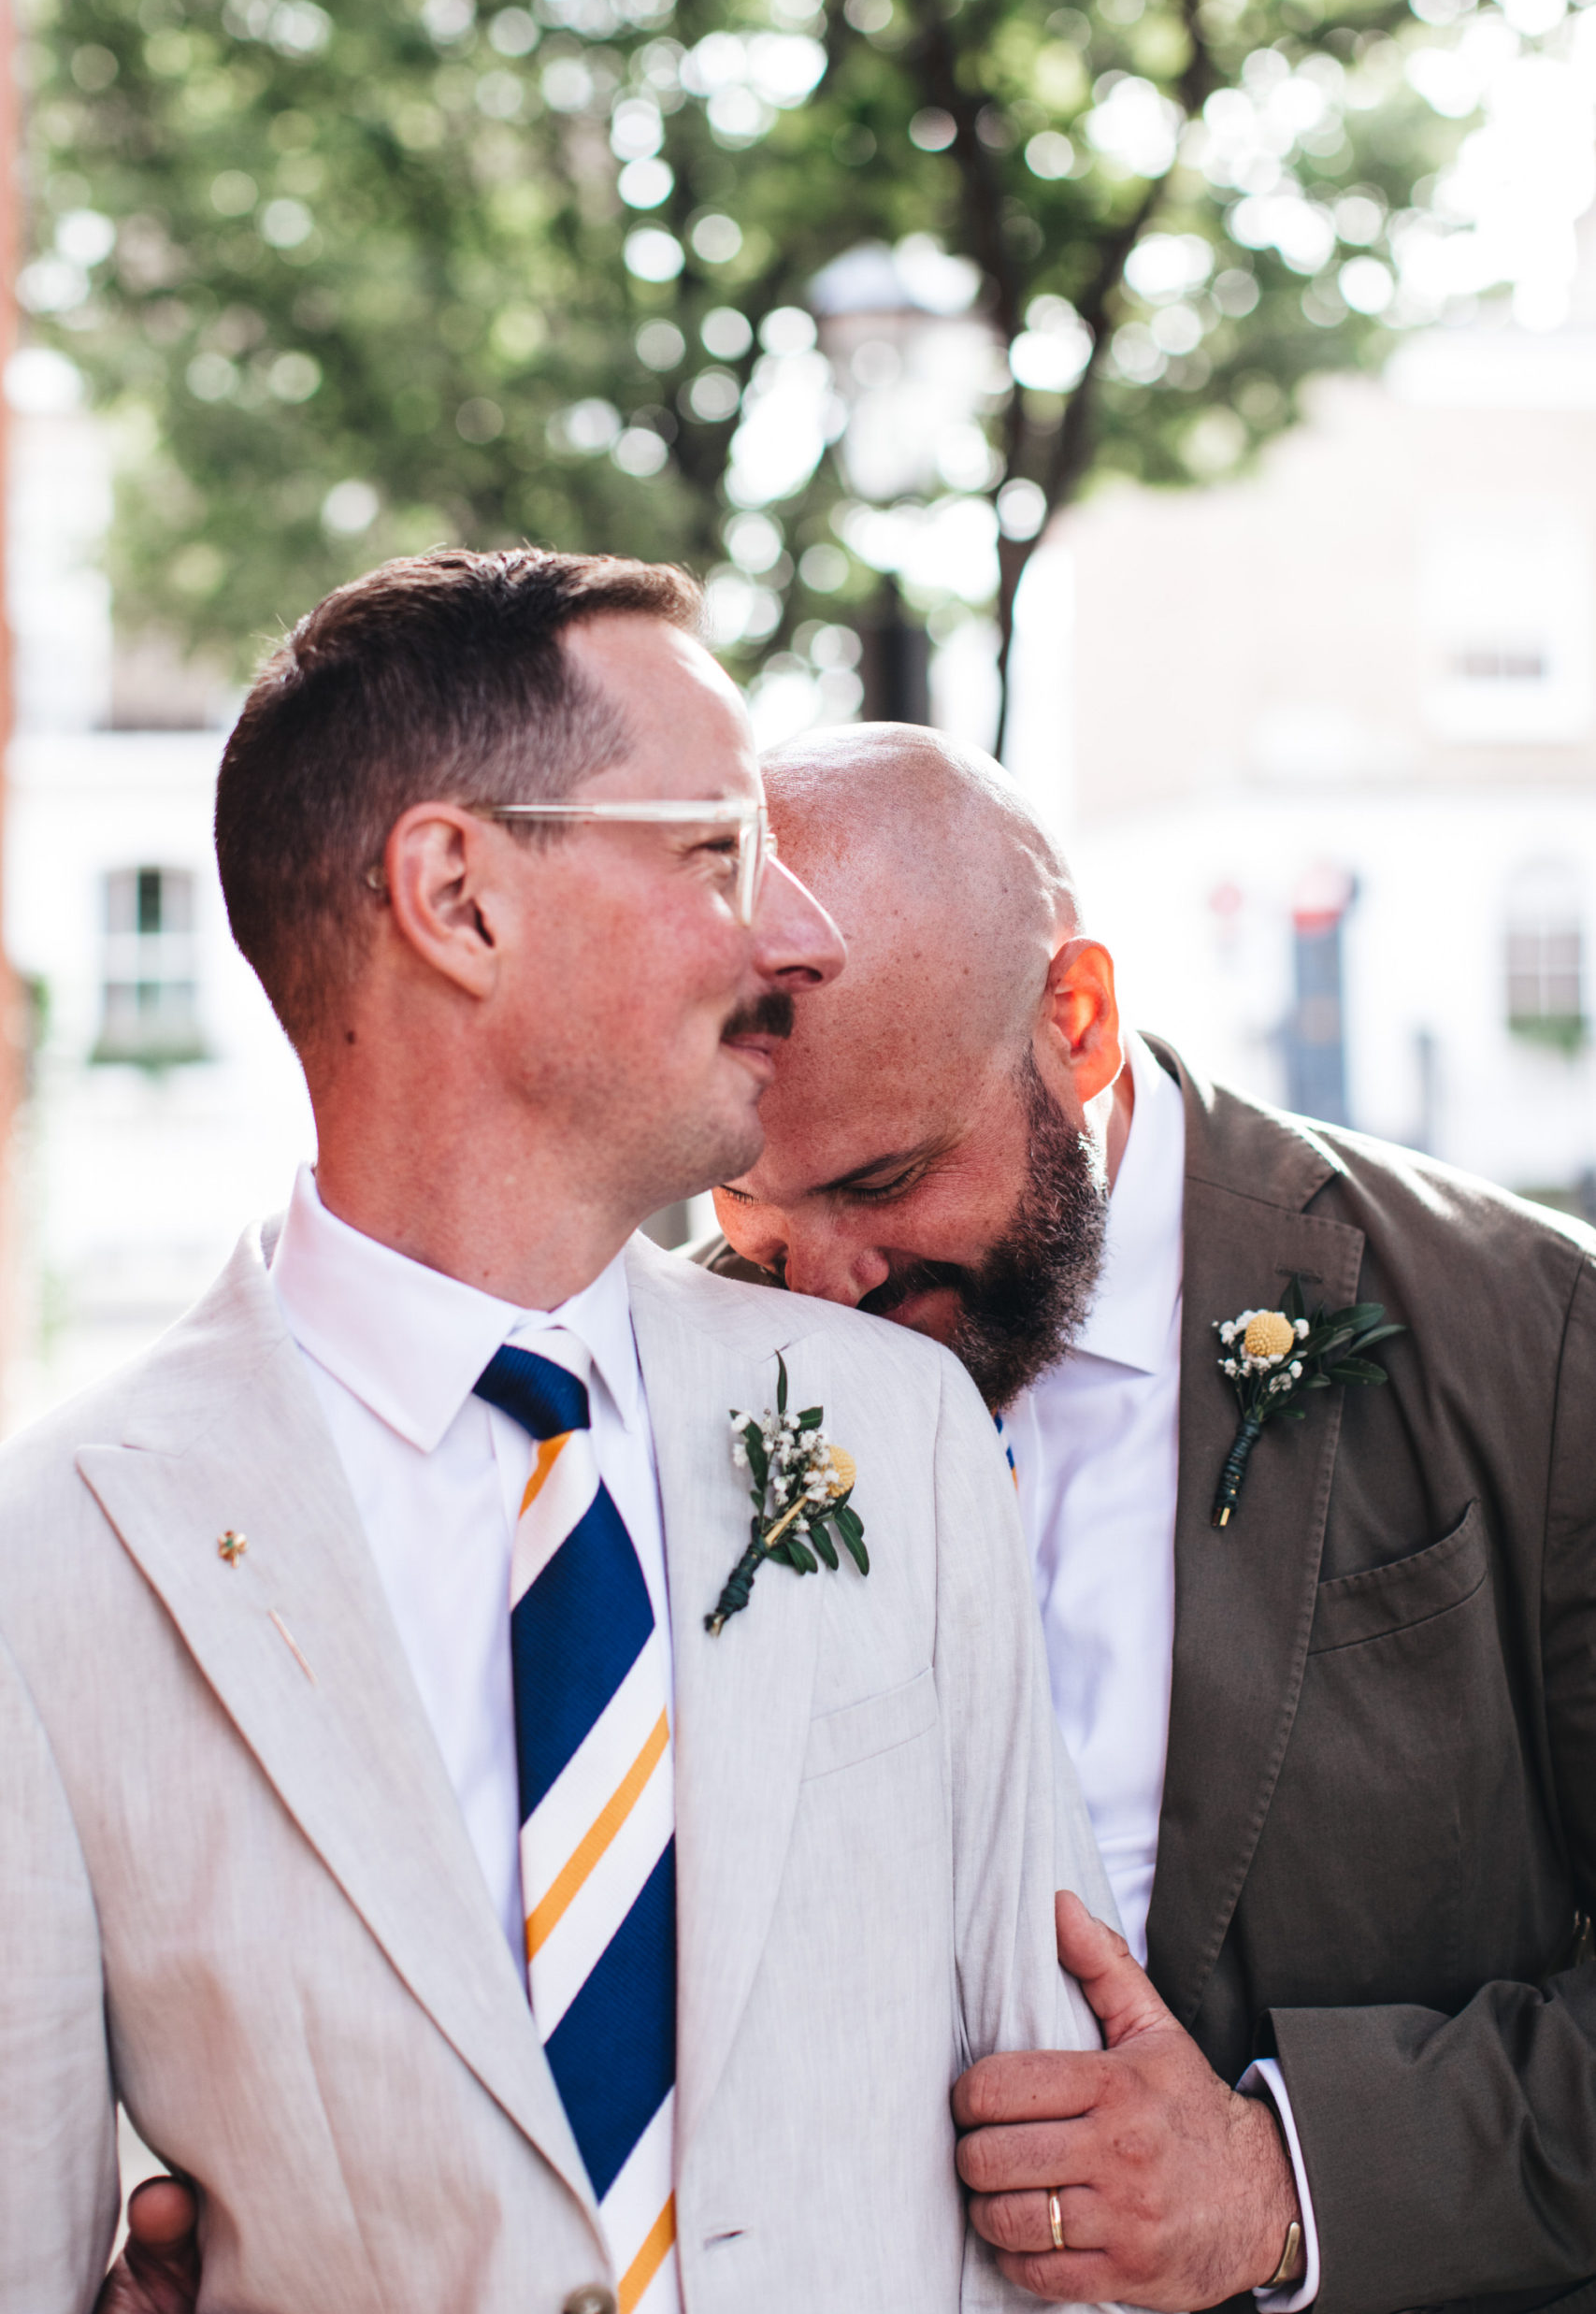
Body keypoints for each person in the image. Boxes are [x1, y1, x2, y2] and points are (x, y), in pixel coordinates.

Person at [0, 561, 1117, 2314]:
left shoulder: (891, 1433)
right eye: (719, 852)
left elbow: (1062, 2174)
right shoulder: (56, 1556)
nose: (801, 935)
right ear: (459, 897)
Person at [695, 725, 1596, 2314]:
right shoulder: (661, 1385)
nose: (824, 1284)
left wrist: (1281, 2184)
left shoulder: (1533, 1342)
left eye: (888, 1177)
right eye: (753, 1209)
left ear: (1079, 1021)